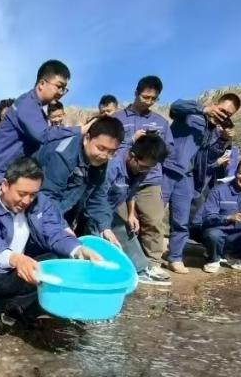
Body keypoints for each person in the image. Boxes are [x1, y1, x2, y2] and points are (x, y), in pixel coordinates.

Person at [0, 157, 102, 336]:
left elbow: (54, 232)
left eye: (33, 194)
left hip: (20, 270)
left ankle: (18, 306)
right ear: (5, 185)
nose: (27, 200)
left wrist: (78, 249)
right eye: (22, 194)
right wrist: (15, 259)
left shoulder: (40, 203)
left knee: (59, 258)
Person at [164, 93, 241, 274]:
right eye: (222, 110)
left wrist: (223, 140)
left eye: (228, 115)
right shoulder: (192, 114)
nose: (223, 115)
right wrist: (204, 109)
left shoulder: (214, 133)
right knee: (151, 215)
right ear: (215, 104)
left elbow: (208, 161)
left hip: (187, 177)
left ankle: (175, 258)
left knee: (181, 220)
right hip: (165, 169)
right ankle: (144, 257)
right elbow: (176, 106)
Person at [0, 60, 80, 192]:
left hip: (4, 176)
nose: (61, 92)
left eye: (64, 89)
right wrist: (80, 130)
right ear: (42, 84)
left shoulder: (36, 108)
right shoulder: (27, 104)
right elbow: (44, 135)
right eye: (59, 86)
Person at [112, 76, 173, 274]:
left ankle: (152, 262)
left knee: (153, 221)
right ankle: (127, 263)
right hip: (121, 179)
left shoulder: (161, 122)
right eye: (146, 97)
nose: (149, 101)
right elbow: (109, 145)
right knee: (122, 222)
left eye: (153, 99)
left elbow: (168, 151)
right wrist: (132, 140)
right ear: (136, 93)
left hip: (150, 179)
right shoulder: (117, 118)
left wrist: (154, 145)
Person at [35, 116, 124, 242]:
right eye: (101, 148)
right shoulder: (63, 155)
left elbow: (97, 197)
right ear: (87, 139)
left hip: (63, 211)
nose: (104, 156)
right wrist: (62, 226)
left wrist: (105, 227)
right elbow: (47, 196)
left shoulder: (99, 161)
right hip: (38, 210)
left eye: (111, 152)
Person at [106, 135, 171, 285]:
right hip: (95, 208)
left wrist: (131, 214)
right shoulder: (113, 166)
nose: (145, 171)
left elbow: (131, 192)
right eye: (143, 167)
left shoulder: (141, 169)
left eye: (149, 168)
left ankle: (142, 268)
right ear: (132, 156)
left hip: (111, 206)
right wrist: (104, 224)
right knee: (116, 230)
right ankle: (137, 269)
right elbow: (97, 197)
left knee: (126, 228)